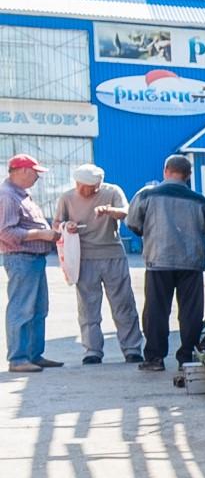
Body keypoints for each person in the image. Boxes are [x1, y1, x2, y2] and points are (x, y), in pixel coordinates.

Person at [127, 154, 205, 374]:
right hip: (191, 263)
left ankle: (155, 358)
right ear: (188, 176)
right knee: (190, 312)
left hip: (159, 260)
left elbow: (133, 224)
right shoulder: (200, 200)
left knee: (157, 310)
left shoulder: (146, 195)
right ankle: (187, 358)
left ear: (166, 170)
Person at [56, 164, 144, 365]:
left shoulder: (112, 192)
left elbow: (125, 212)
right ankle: (92, 351)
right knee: (88, 306)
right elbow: (57, 222)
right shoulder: (67, 197)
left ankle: (132, 349)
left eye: (89, 187)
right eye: (80, 185)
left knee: (123, 303)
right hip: (83, 257)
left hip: (112, 254)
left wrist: (109, 211)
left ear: (99, 184)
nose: (84, 190)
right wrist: (65, 226)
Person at [0, 154, 63, 374]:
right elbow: (6, 232)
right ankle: (18, 359)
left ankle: (34, 355)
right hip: (21, 259)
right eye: (36, 172)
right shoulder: (7, 196)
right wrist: (41, 234)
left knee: (38, 309)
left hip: (33, 259)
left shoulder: (22, 195)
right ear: (24, 171)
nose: (37, 177)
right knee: (21, 309)